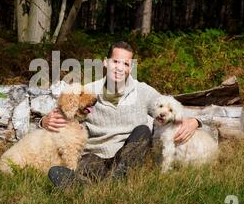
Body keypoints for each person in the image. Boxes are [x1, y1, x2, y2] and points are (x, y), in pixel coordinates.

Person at [40, 41, 204, 187]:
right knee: (80, 163)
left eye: (125, 64)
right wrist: (44, 121)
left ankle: (99, 183)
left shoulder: (143, 91)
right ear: (105, 62)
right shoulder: (89, 92)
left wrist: (195, 121)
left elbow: (171, 106)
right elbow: (63, 110)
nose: (119, 68)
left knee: (143, 131)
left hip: (128, 156)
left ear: (130, 67)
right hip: (96, 155)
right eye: (115, 61)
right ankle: (104, 184)